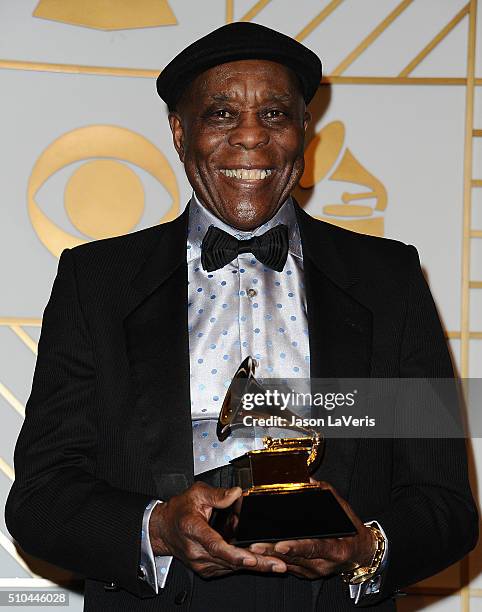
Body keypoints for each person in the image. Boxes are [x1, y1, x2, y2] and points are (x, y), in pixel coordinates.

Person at [5, 22, 478, 612]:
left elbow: (444, 502)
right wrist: (159, 528)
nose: (251, 137)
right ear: (180, 133)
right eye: (222, 115)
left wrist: (364, 549)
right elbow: (42, 499)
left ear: (304, 134)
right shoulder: (97, 282)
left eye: (276, 115)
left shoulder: (389, 278)